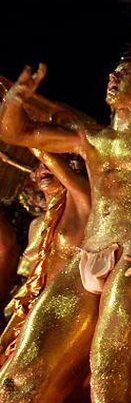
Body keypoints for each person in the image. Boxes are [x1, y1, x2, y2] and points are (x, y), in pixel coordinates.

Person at [0, 59, 131, 403]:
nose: (112, 77)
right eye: (112, 73)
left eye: (124, 74)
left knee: (108, 370)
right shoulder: (90, 137)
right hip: (88, 255)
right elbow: (16, 133)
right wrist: (16, 100)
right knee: (19, 376)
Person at [0, 150, 90, 364]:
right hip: (28, 315)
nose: (44, 167)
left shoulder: (84, 205)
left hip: (64, 315)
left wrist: (34, 144)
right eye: (38, 164)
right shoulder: (36, 225)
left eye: (53, 161)